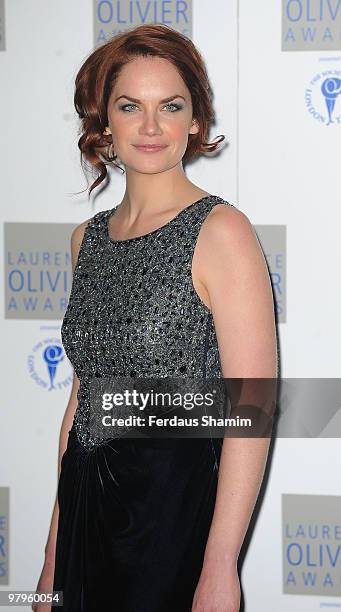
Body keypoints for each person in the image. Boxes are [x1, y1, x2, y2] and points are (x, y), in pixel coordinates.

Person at [33, 23, 278, 612]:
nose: (150, 126)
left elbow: (253, 405)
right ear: (103, 120)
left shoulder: (222, 233)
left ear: (195, 121)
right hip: (86, 508)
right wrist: (49, 567)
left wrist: (221, 565)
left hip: (171, 513)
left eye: (170, 106)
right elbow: (82, 402)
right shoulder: (84, 241)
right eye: (129, 106)